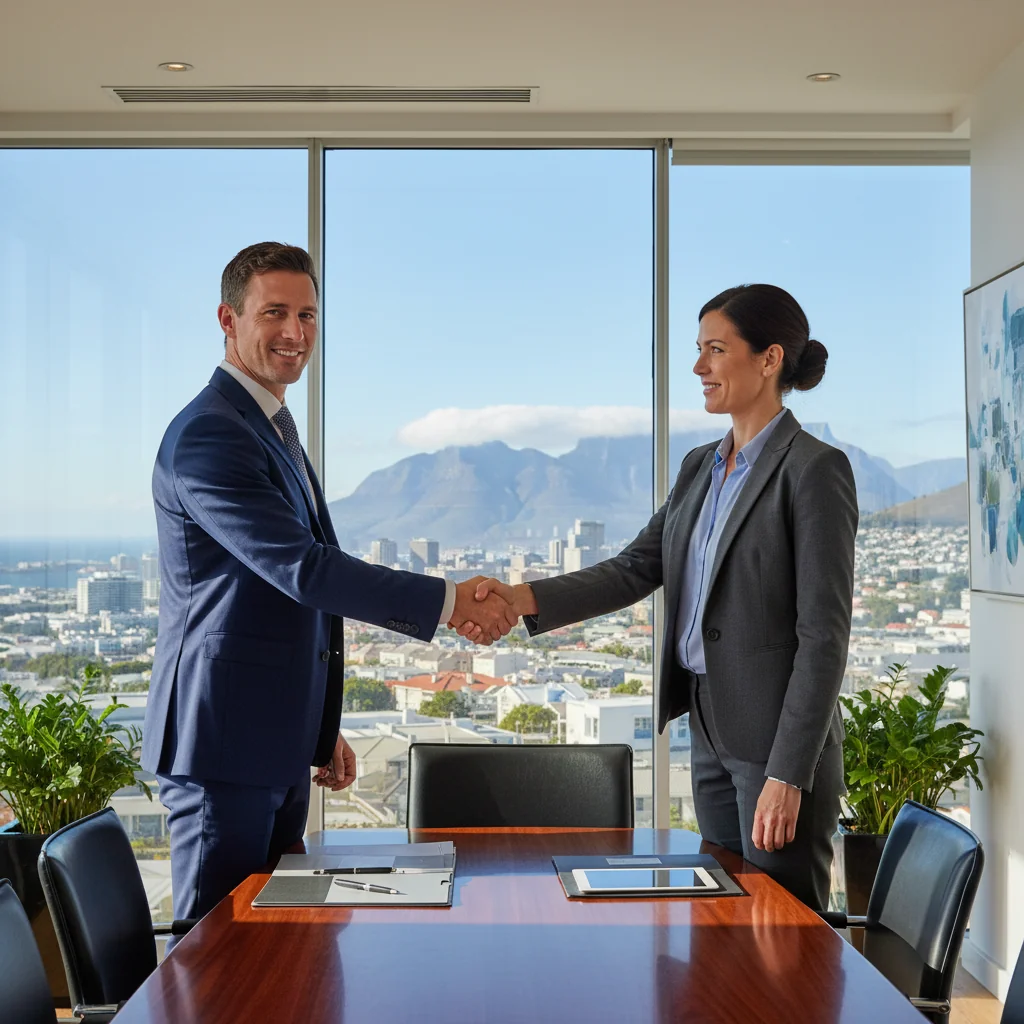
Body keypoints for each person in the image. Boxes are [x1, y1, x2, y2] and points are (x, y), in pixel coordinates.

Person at [142, 241, 517, 924]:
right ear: (228, 320)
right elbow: (304, 570)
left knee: (276, 944)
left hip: (265, 741)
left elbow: (279, 604)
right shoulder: (210, 435)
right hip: (223, 746)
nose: (295, 334)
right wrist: (452, 600)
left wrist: (314, 730)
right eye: (275, 313)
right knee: (214, 957)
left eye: (309, 316)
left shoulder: (264, 425)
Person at [468, 284, 857, 911]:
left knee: (785, 933)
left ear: (769, 359)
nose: (699, 367)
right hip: (708, 726)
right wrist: (520, 598)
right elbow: (634, 567)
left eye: (715, 350)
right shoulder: (700, 466)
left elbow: (824, 636)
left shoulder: (813, 469)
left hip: (777, 744)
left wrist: (788, 773)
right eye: (698, 350)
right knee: (722, 922)